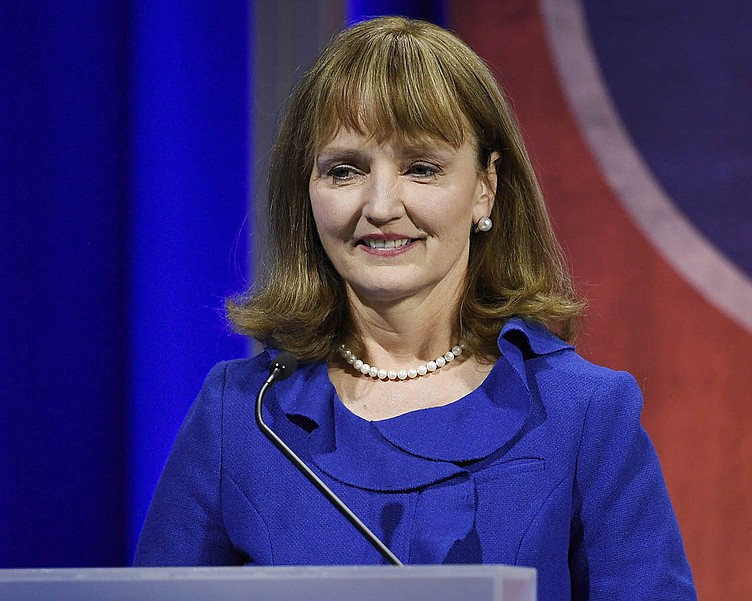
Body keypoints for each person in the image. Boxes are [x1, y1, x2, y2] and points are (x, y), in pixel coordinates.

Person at [134, 16, 696, 600]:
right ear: (308, 190)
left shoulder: (584, 416)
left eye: (421, 168)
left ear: (485, 187)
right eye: (345, 170)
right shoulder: (241, 414)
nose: (380, 206)